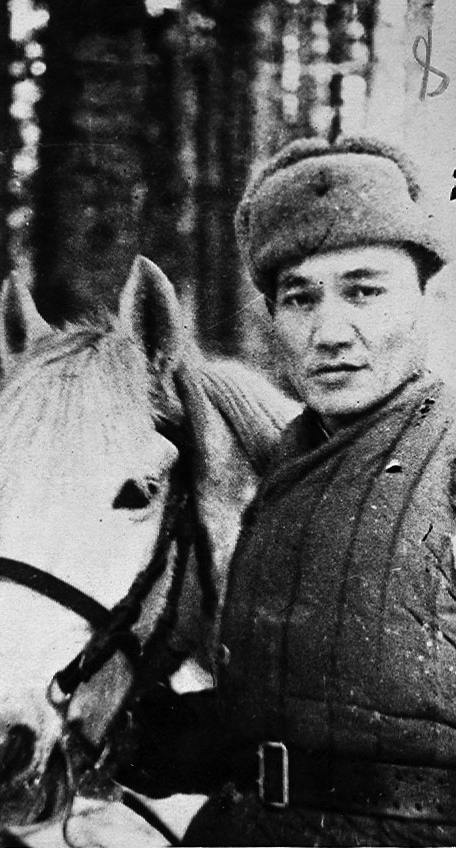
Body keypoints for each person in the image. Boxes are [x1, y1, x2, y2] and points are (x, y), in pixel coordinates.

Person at [119, 136, 456, 846]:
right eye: (299, 298)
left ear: (427, 299)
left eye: (364, 290)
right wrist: (153, 737)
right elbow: (300, 713)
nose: (329, 332)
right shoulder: (282, 471)